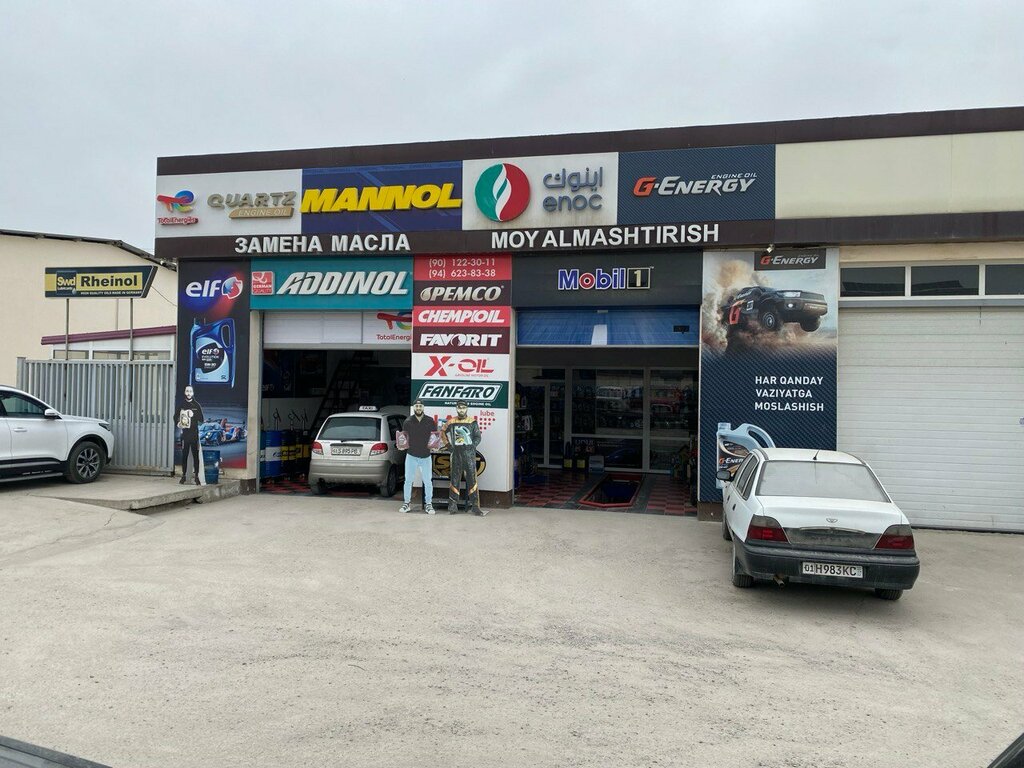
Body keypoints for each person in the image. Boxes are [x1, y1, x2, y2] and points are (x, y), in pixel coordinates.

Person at [441, 400, 485, 516]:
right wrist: (448, 446)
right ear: (456, 408)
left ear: (467, 408)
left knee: (472, 480)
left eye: (463, 408)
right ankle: (452, 506)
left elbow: (478, 437)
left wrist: (472, 445)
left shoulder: (472, 422)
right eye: (459, 408)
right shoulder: (451, 421)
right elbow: (442, 432)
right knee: (454, 479)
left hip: (469, 454)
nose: (461, 410)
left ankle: (475, 507)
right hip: (456, 454)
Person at [399, 399, 437, 514]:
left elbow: (434, 437)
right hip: (411, 455)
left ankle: (429, 504)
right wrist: (402, 446)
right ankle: (406, 503)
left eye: (420, 406)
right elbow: (404, 438)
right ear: (413, 407)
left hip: (425, 455)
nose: (418, 408)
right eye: (416, 406)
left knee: (428, 481)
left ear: (423, 407)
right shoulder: (408, 421)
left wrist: (435, 446)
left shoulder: (430, 421)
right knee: (408, 480)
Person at [175, 385, 204, 485]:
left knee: (196, 456)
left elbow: (201, 419)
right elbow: (175, 417)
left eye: (190, 391)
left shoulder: (197, 405)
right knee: (185, 456)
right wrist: (178, 423)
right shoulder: (182, 405)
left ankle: (196, 477)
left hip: (194, 434)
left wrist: (193, 414)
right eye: (187, 391)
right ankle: (183, 476)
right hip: (185, 435)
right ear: (184, 392)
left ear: (193, 393)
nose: (188, 393)